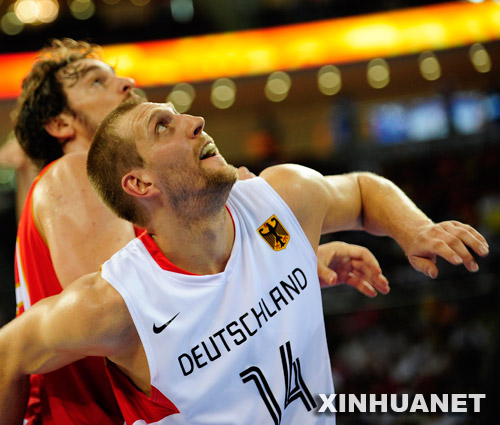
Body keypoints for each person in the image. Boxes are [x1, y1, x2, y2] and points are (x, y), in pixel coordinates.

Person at [0, 99, 489, 424]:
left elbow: (362, 189)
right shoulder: (117, 302)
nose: (195, 122)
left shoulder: (281, 199)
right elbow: (8, 352)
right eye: (163, 126)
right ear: (141, 184)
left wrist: (414, 229)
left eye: (181, 113)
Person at [9, 38, 390, 424]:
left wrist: (290, 258)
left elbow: (184, 300)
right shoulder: (72, 172)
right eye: (96, 82)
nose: (125, 83)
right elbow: (149, 315)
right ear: (60, 123)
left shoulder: (119, 201)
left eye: (118, 75)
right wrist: (277, 265)